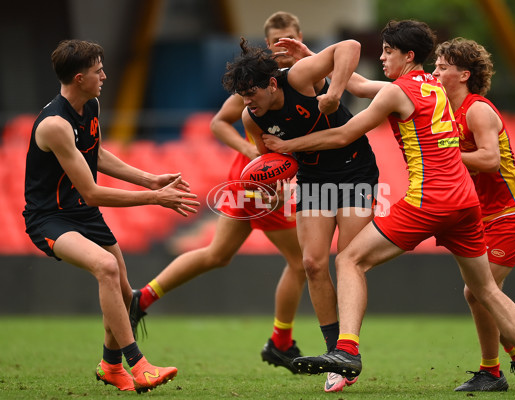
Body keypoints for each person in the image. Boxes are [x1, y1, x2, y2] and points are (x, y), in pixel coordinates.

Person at [263, 20, 515, 393]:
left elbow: (342, 134)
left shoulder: (396, 92)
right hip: (465, 201)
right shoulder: (437, 86)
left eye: (388, 51)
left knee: (349, 260)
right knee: (486, 289)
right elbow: (359, 84)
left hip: (429, 199)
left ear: (408, 55)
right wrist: (312, 57)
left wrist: (288, 147)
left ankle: (347, 351)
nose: (382, 57)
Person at [129, 11, 307, 376]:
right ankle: (282, 342)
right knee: (304, 262)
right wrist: (253, 154)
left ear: (300, 36)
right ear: (268, 43)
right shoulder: (264, 82)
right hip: (262, 180)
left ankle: (140, 298)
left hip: (257, 179)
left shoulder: (304, 75)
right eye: (276, 41)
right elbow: (217, 122)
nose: (283, 47)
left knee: (217, 255)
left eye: (288, 38)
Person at [22, 39, 200, 393]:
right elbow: (92, 191)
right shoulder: (54, 125)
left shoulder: (91, 106)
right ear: (78, 78)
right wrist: (155, 197)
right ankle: (140, 365)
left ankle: (110, 365)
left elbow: (97, 155)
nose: (104, 75)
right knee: (106, 267)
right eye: (97, 70)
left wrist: (151, 177)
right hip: (49, 218)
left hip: (81, 212)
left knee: (124, 294)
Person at [221, 34, 379, 392]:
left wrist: (335, 93)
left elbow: (350, 47)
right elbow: (277, 162)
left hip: (355, 171)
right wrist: (276, 192)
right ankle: (334, 355)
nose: (249, 104)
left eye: (253, 95)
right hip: (312, 179)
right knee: (312, 264)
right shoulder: (251, 118)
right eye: (244, 98)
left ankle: (347, 346)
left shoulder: (298, 77)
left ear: (273, 84)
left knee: (348, 260)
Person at [431, 38, 515, 392]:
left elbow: (490, 160)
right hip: (480, 218)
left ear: (463, 75)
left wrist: (447, 156)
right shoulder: (444, 113)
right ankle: (506, 368)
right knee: (479, 293)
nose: (435, 72)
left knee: (479, 292)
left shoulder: (477, 110)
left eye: (442, 67)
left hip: (512, 214)